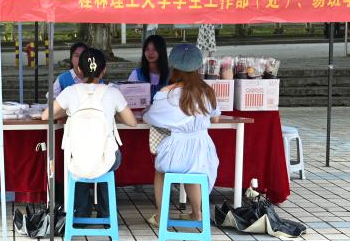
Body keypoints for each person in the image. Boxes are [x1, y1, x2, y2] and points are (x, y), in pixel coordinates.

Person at [43, 48, 137, 217]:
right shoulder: (113, 92)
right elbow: (132, 122)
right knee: (107, 158)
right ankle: (106, 214)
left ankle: (81, 214)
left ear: (79, 70)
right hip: (107, 159)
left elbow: (46, 115)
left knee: (80, 159)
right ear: (104, 70)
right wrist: (113, 113)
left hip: (78, 159)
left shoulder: (70, 92)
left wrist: (69, 111)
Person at [142, 43, 220, 224]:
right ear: (198, 66)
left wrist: (147, 111)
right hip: (202, 151)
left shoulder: (166, 94)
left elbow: (150, 118)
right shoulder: (207, 91)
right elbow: (215, 118)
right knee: (193, 173)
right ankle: (197, 213)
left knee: (161, 171)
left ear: (173, 66)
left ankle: (161, 215)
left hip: (176, 149)